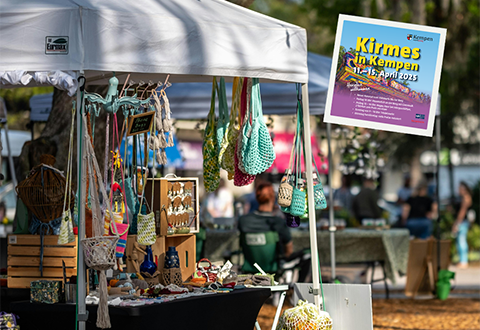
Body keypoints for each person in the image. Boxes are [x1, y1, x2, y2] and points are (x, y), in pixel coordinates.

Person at [238, 182, 293, 258]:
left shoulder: (243, 221)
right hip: (273, 267)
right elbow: (289, 251)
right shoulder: (278, 222)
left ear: (257, 198)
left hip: (249, 267)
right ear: (273, 198)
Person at [452, 181, 473, 268]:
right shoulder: (464, 197)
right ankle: (463, 260)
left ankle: (464, 261)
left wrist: (457, 223)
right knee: (460, 241)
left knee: (461, 241)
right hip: (464, 222)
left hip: (462, 222)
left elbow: (463, 211)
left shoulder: (465, 197)